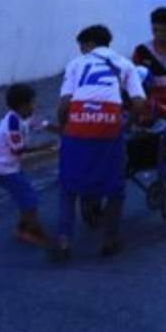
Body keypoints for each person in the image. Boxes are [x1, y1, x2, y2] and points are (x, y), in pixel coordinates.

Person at [53, 24, 145, 262]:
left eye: (81, 46)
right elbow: (138, 104)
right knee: (115, 186)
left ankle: (63, 240)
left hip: (78, 124)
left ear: (88, 44)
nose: (81, 51)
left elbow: (64, 105)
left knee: (67, 186)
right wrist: (127, 125)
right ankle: (110, 240)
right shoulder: (125, 64)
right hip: (109, 125)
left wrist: (64, 129)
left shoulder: (76, 64)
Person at [0, 83, 52, 247]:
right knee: (29, 198)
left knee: (26, 195)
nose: (34, 106)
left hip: (9, 167)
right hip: (3, 169)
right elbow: (18, 150)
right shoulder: (12, 124)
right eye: (31, 103)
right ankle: (30, 230)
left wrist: (64, 131)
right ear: (22, 106)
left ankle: (23, 226)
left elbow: (42, 124)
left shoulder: (22, 117)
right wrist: (44, 147)